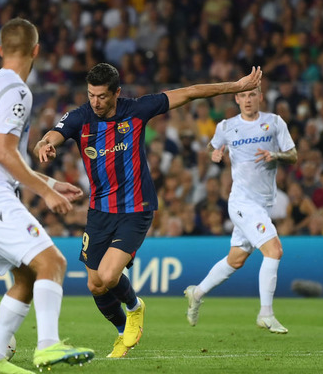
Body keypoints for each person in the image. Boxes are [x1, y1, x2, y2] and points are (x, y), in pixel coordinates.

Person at [34, 63, 263, 358]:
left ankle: (134, 307)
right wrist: (45, 144)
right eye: (91, 95)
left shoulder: (137, 110)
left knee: (108, 275)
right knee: (95, 284)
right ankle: (122, 332)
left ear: (116, 93)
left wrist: (235, 86)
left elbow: (191, 92)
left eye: (102, 96)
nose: (95, 102)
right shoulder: (81, 117)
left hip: (136, 207)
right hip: (100, 210)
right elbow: (54, 133)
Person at [0, 18, 94, 374]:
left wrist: (48, 180)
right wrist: (44, 191)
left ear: (1, 50)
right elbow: (4, 154)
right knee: (52, 263)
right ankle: (47, 346)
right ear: (36, 50)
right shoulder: (17, 91)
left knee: (27, 277)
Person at [183, 85, 297, 334]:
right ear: (236, 99)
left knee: (236, 259)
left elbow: (293, 155)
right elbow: (211, 147)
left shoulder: (274, 122)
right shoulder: (226, 126)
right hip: (242, 202)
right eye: (243, 95)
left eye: (252, 95)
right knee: (274, 250)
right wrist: (214, 154)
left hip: (264, 203)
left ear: (260, 97)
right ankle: (266, 314)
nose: (247, 100)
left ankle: (197, 293)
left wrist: (276, 155)